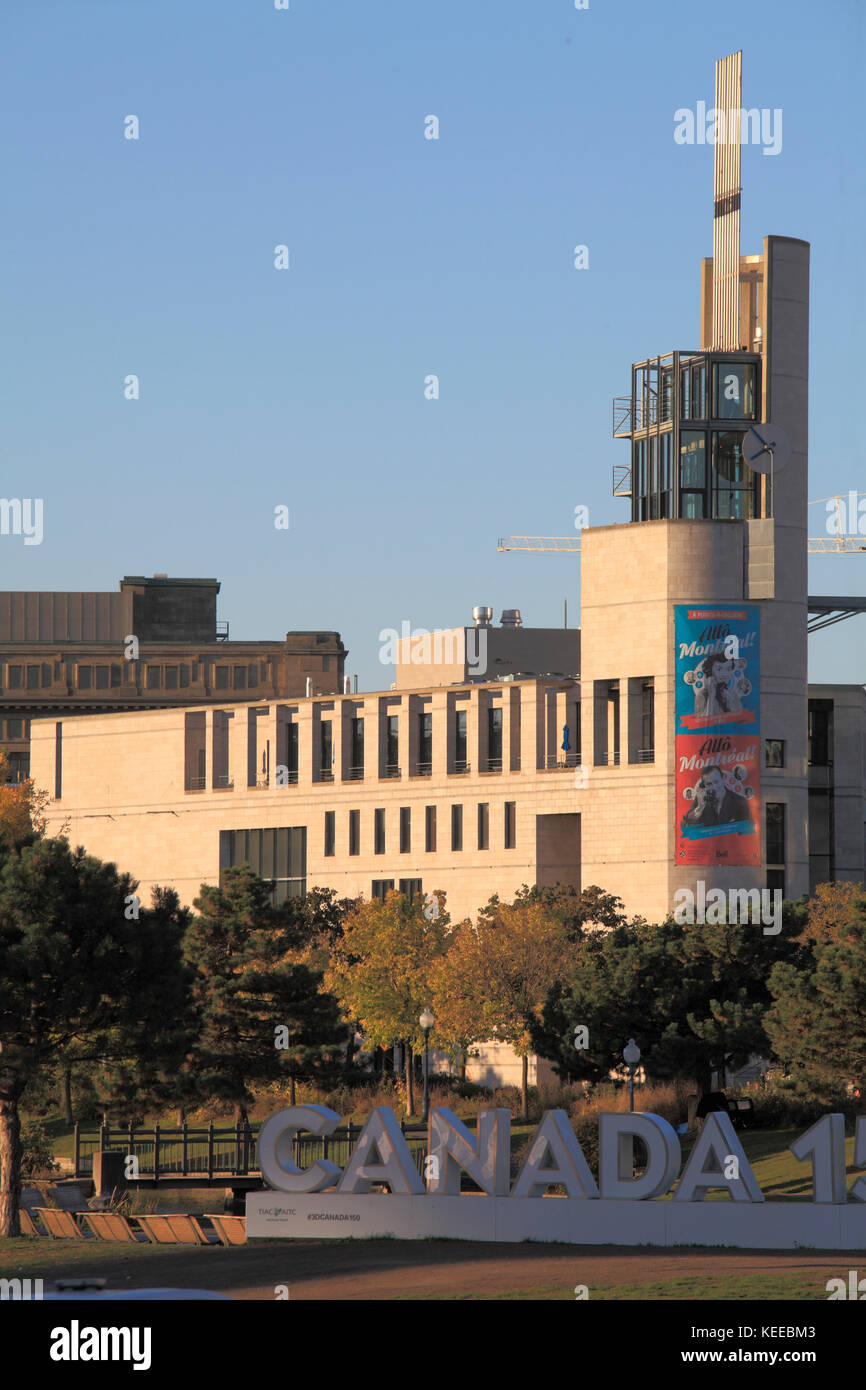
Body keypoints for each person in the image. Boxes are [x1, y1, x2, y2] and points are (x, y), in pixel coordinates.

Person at [682, 764, 753, 828]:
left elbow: (747, 829)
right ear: (704, 786)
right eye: (709, 784)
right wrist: (699, 808)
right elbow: (685, 824)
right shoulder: (700, 800)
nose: (714, 787)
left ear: (723, 779)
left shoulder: (740, 801)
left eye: (716, 782)